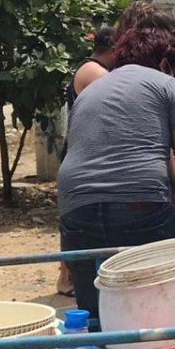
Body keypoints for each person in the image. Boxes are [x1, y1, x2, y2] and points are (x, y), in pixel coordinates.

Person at [57, 27, 175, 318]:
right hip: (140, 205)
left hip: (75, 207)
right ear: (166, 63)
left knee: (95, 313)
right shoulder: (167, 85)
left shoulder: (91, 90)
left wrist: (174, 192)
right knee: (159, 309)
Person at [56, 25, 117, 298]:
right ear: (113, 48)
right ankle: (66, 277)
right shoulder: (95, 72)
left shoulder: (93, 69)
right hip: (81, 150)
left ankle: (68, 275)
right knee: (75, 219)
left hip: (82, 149)